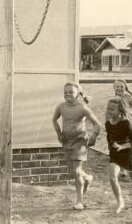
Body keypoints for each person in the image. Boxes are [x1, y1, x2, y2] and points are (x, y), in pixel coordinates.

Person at [52, 82, 102, 210]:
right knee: (72, 171)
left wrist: (93, 137)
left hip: (80, 141)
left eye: (71, 92)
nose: (68, 94)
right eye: (66, 92)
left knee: (76, 171)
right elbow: (54, 119)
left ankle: (79, 201)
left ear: (78, 94)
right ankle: (87, 178)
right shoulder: (61, 107)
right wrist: (59, 133)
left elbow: (97, 124)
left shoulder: (83, 108)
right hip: (66, 141)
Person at [105, 97, 132, 213]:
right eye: (108, 109)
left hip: (128, 153)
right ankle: (120, 201)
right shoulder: (108, 124)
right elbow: (109, 138)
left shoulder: (127, 124)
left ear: (120, 111)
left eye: (113, 109)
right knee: (112, 178)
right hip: (115, 154)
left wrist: (122, 146)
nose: (109, 111)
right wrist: (112, 148)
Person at [109, 79, 132, 179]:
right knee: (119, 143)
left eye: (122, 87)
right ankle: (123, 168)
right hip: (119, 124)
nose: (119, 88)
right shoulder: (112, 99)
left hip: (131, 122)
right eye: (117, 87)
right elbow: (109, 111)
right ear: (114, 88)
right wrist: (108, 123)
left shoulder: (129, 98)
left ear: (125, 87)